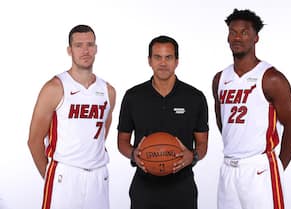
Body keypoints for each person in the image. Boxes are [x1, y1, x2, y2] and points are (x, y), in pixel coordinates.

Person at [212, 9, 291, 209]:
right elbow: (223, 122)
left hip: (259, 168)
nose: (237, 37)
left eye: (244, 32)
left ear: (256, 37)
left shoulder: (271, 78)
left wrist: (277, 166)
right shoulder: (220, 78)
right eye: (232, 32)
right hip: (228, 168)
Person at [27, 24, 116, 209]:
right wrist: (51, 175)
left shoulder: (108, 91)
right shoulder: (55, 88)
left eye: (90, 44)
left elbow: (100, 135)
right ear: (70, 50)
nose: (85, 50)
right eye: (79, 45)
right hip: (65, 175)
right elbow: (34, 140)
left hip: (99, 176)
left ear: (96, 49)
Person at [117, 35, 209, 209]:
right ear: (149, 61)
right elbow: (122, 141)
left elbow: (203, 143)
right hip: (144, 188)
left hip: (182, 188)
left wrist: (194, 156)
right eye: (157, 57)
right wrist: (133, 154)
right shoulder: (133, 97)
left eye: (168, 57)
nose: (163, 63)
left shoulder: (194, 97)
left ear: (177, 61)